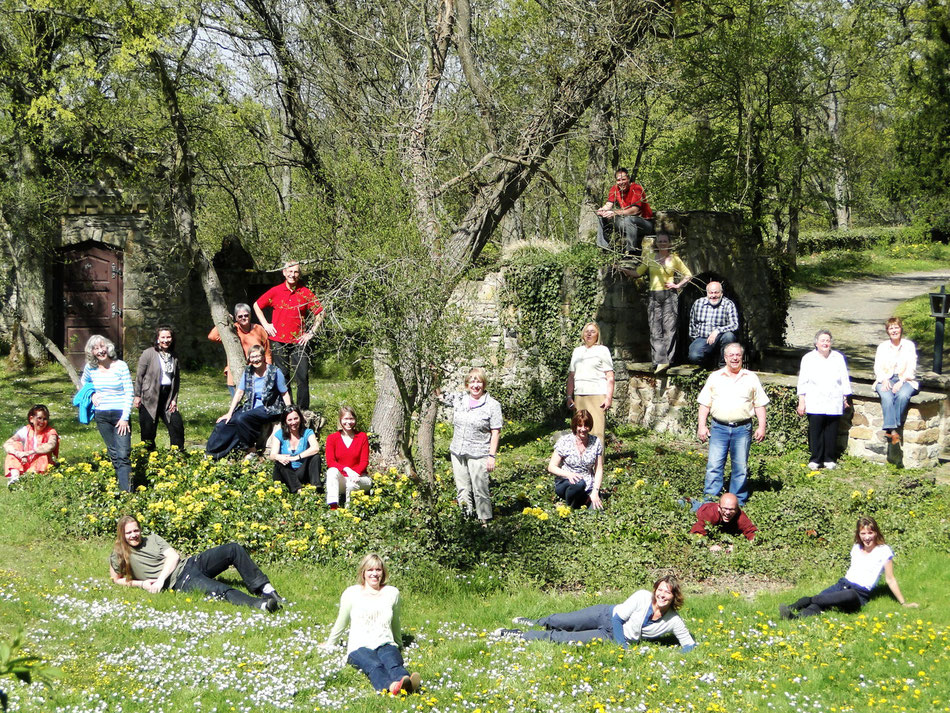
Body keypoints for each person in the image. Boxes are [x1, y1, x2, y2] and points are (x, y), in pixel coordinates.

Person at [109, 515, 283, 611]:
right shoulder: (119, 554)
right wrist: (141, 584)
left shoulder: (153, 539)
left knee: (233, 549)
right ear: (121, 535)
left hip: (192, 563)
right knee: (219, 589)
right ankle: (261, 605)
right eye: (129, 533)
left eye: (136, 530)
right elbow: (116, 578)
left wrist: (160, 580)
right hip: (181, 581)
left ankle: (267, 590)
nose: (134, 535)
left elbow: (173, 557)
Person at [496, 574, 695, 651]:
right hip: (606, 616)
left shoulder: (673, 620)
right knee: (563, 620)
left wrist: (686, 653)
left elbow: (688, 643)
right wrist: (623, 647)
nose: (661, 595)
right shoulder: (642, 596)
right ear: (654, 590)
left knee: (565, 638)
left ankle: (518, 634)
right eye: (659, 590)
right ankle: (535, 622)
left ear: (674, 596)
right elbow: (618, 618)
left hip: (608, 636)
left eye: (667, 592)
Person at [779, 516, 918, 619]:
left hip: (858, 594)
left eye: (870, 533)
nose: (867, 537)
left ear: (876, 533)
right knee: (821, 602)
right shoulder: (856, 548)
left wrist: (903, 603)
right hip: (842, 584)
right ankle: (793, 617)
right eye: (863, 534)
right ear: (859, 535)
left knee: (844, 595)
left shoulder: (884, 550)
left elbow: (890, 579)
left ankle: (807, 600)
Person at [320, 554, 421, 695]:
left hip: (385, 642)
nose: (374, 573)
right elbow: (341, 622)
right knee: (374, 665)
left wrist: (398, 643)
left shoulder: (392, 593)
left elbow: (395, 622)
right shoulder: (351, 593)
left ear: (383, 572)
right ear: (363, 572)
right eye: (370, 570)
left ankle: (406, 682)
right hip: (359, 646)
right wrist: (331, 643)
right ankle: (391, 686)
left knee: (394, 663)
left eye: (378, 570)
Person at [696, 342, 768, 506]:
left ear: (741, 357)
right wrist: (702, 425)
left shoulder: (751, 377)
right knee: (714, 465)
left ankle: (738, 502)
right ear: (725, 357)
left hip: (742, 429)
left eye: (738, 355)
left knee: (740, 468)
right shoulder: (715, 377)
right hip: (718, 428)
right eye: (731, 355)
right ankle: (711, 501)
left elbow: (759, 404)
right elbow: (704, 404)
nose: (735, 358)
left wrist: (762, 426)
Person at [254, 261, 324, 411]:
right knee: (283, 376)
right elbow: (256, 305)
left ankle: (303, 411)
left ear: (299, 274)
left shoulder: (304, 292)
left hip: (300, 341)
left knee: (302, 377)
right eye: (290, 272)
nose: (292, 275)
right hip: (279, 340)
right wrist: (266, 325)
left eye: (296, 272)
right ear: (284, 273)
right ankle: (288, 409)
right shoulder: (276, 291)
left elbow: (320, 312)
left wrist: (311, 332)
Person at [440, 368, 503, 524]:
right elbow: (440, 396)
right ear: (467, 385)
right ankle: (466, 520)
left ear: (484, 384)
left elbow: (496, 431)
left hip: (479, 452)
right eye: (472, 381)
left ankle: (484, 521)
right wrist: (435, 376)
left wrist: (491, 456)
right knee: (462, 488)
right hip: (457, 451)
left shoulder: (492, 405)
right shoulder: (460, 398)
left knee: (480, 489)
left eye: (479, 381)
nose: (476, 385)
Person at [206, 344, 291, 459]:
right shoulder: (248, 372)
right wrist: (229, 413)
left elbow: (284, 393)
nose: (256, 360)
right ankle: (213, 453)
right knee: (224, 424)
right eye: (252, 357)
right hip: (250, 407)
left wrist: (289, 412)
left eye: (258, 356)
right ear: (249, 359)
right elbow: (239, 392)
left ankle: (250, 449)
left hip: (270, 408)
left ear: (263, 356)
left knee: (243, 419)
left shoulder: (275, 372)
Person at [629, 232, 692, 372]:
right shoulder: (650, 257)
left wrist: (677, 285)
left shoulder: (674, 259)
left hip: (670, 295)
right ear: (656, 244)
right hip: (654, 295)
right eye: (660, 241)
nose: (662, 243)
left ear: (669, 243)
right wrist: (621, 269)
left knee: (669, 327)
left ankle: (667, 360)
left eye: (665, 241)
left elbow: (688, 274)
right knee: (654, 327)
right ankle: (659, 360)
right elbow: (638, 272)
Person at [80, 335, 134, 491]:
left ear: (108, 347)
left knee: (123, 453)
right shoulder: (91, 368)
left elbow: (129, 392)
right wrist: (91, 394)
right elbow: (82, 382)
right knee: (114, 453)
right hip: (102, 415)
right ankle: (122, 486)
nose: (100, 351)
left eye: (102, 347)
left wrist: (125, 418)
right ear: (92, 352)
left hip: (120, 416)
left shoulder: (120, 366)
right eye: (95, 348)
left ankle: (127, 493)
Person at [796, 329, 852, 469]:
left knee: (831, 431)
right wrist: (801, 401)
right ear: (816, 343)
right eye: (822, 340)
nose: (825, 343)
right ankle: (815, 459)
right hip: (815, 399)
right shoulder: (808, 358)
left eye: (828, 340)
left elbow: (844, 378)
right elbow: (802, 381)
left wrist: (845, 397)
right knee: (816, 431)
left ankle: (829, 458)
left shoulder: (838, 357)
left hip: (834, 399)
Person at [134, 325, 185, 452]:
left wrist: (174, 399)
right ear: (157, 338)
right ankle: (149, 456)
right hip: (149, 396)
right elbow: (139, 375)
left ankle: (177, 455)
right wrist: (137, 395)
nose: (166, 340)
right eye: (163, 337)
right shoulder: (148, 353)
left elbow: (176, 379)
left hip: (167, 397)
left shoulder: (174, 355)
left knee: (176, 425)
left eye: (168, 337)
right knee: (148, 430)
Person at [208, 303, 273, 395]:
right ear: (236, 317)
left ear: (250, 315)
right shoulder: (232, 329)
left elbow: (267, 353)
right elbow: (212, 336)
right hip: (235, 374)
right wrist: (225, 320)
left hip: (257, 373)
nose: (243, 318)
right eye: (240, 316)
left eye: (246, 315)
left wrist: (268, 371)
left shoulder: (259, 329)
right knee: (238, 405)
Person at [566, 322, 614, 445]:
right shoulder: (577, 351)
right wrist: (569, 397)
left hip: (597, 395)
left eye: (592, 331)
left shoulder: (603, 350)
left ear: (598, 335)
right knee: (579, 431)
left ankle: (598, 464)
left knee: (596, 432)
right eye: (587, 331)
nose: (589, 334)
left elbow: (610, 377)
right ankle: (581, 462)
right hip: (579, 396)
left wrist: (608, 398)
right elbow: (571, 376)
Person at [873, 317, 918, 445]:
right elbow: (877, 367)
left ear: (900, 329)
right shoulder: (882, 347)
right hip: (886, 378)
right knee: (886, 397)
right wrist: (884, 379)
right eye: (891, 328)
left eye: (896, 327)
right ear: (887, 331)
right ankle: (894, 430)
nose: (894, 331)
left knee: (902, 395)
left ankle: (891, 428)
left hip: (906, 379)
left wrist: (902, 381)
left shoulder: (909, 345)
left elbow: (912, 367)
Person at [548, 409, 604, 510]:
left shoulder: (596, 442)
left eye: (586, 425)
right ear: (575, 426)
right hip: (566, 483)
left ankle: (583, 500)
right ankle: (570, 508)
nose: (583, 429)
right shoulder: (565, 441)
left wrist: (595, 492)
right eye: (580, 426)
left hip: (588, 486)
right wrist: (568, 474)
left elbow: (599, 469)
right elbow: (551, 467)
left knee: (597, 511)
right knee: (579, 483)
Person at [594, 167, 654, 256]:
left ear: (628, 179)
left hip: (645, 223)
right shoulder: (614, 189)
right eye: (618, 180)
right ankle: (604, 249)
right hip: (626, 221)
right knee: (602, 217)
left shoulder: (636, 189)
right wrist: (602, 210)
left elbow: (634, 210)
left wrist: (614, 212)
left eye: (623, 179)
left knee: (629, 219)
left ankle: (632, 253)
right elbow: (608, 205)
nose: (621, 182)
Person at [267, 405, 321, 493]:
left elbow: (315, 448)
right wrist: (279, 457)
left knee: (316, 457)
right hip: (286, 473)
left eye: (296, 418)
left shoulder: (308, 432)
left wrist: (296, 457)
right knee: (280, 461)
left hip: (301, 471)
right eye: (290, 420)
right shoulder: (279, 434)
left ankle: (316, 488)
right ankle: (298, 489)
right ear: (285, 421)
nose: (293, 422)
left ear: (300, 418)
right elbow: (272, 455)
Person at [325, 405, 371, 509]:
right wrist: (346, 469)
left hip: (360, 478)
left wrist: (355, 474)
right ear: (340, 420)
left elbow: (364, 461)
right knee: (331, 471)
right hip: (342, 478)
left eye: (351, 419)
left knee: (351, 484)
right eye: (346, 419)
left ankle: (350, 510)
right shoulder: (332, 438)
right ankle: (333, 506)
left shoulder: (362, 437)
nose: (349, 422)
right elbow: (330, 462)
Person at [687, 281, 739, 366]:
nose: (713, 295)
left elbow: (734, 324)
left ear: (721, 293)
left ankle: (723, 366)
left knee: (729, 336)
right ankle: (707, 365)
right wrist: (695, 340)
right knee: (694, 356)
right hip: (702, 338)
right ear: (707, 293)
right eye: (711, 292)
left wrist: (717, 331)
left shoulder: (728, 304)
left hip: (721, 338)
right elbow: (693, 324)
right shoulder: (698, 303)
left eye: (716, 292)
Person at [4, 404, 59, 484]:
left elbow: (51, 445)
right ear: (31, 419)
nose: (42, 422)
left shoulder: (51, 432)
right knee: (15, 445)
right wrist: (19, 454)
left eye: (45, 419)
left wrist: (29, 452)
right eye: (39, 418)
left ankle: (33, 478)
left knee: (42, 454)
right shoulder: (26, 430)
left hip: (43, 466)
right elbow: (7, 443)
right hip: (26, 462)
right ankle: (15, 478)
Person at [690, 493, 757, 551]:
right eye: (725, 508)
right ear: (719, 507)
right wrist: (709, 546)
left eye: (731, 509)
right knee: (684, 503)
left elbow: (752, 532)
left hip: (714, 505)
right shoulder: (710, 514)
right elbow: (696, 533)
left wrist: (739, 547)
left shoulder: (740, 515)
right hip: (699, 507)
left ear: (737, 509)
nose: (727, 513)